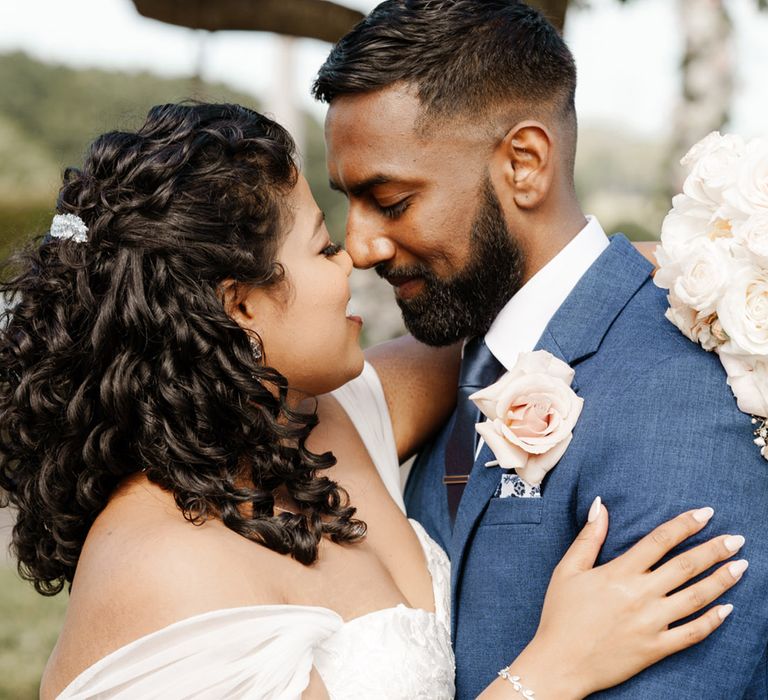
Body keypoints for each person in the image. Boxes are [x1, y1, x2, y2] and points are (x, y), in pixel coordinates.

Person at [0, 103, 742, 700]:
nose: (355, 254)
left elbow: (535, 308)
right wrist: (553, 669)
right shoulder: (161, 568)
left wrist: (722, 274)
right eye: (323, 247)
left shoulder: (335, 418)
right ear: (241, 307)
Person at [313, 1, 768, 697]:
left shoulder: (679, 395)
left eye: (392, 200)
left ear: (524, 163)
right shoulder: (462, 365)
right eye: (349, 201)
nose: (362, 244)